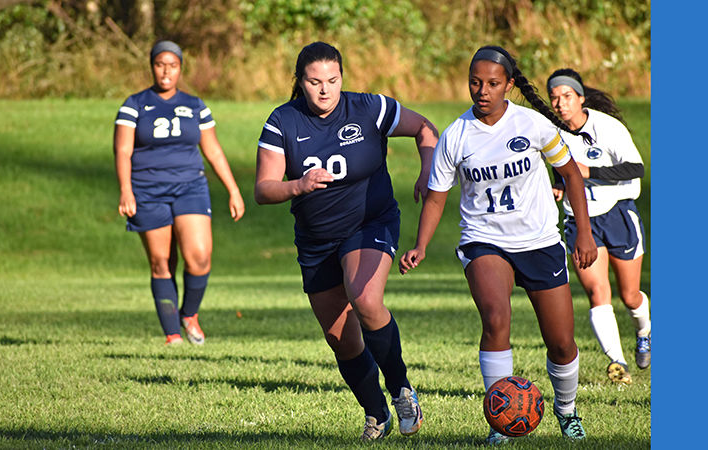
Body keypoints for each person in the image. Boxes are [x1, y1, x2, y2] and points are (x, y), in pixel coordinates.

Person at [398, 45, 598, 444]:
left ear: (509, 85)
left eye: (492, 83)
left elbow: (572, 177)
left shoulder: (534, 125)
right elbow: (437, 196)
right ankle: (500, 421)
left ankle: (566, 410)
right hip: (484, 241)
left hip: (540, 241)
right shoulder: (456, 135)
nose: (483, 90)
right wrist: (420, 245)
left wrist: (586, 232)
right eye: (476, 82)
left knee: (560, 342)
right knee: (495, 319)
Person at [254, 41, 437, 441]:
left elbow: (425, 128)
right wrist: (297, 185)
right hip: (317, 240)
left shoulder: (369, 108)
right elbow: (264, 189)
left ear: (343, 78)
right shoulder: (283, 121)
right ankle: (377, 413)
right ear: (300, 82)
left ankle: (402, 390)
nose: (324, 90)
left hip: (370, 223)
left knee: (365, 299)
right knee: (341, 337)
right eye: (314, 82)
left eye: (333, 81)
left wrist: (428, 170)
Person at [114, 40, 245, 346]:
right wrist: (125, 190)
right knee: (161, 261)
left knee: (199, 256)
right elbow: (122, 150)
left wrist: (233, 190)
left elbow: (212, 150)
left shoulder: (196, 105)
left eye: (172, 65)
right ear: (152, 66)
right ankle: (173, 334)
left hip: (190, 186)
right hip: (147, 189)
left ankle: (189, 314)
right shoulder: (134, 104)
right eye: (160, 64)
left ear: (181, 68)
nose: (166, 71)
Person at [547, 68, 650, 384]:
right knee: (597, 291)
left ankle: (644, 330)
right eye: (555, 98)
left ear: (581, 98)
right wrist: (560, 187)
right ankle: (618, 364)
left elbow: (636, 168)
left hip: (617, 212)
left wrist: (588, 171)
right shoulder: (553, 133)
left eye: (567, 97)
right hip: (580, 221)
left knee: (629, 295)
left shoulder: (608, 128)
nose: (561, 104)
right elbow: (558, 167)